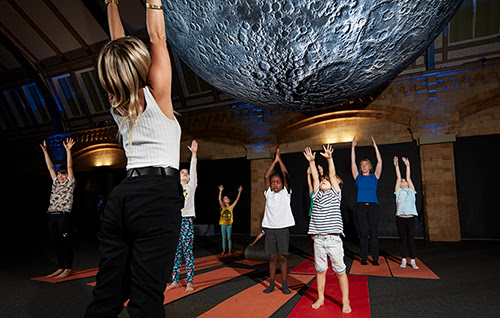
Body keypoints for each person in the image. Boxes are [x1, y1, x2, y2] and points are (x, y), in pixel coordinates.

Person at [85, 1, 184, 317]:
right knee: (146, 299)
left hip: (122, 197)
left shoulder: (117, 100)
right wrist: (154, 2)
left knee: (107, 295)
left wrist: (111, 4)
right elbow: (157, 37)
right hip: (157, 196)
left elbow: (117, 48)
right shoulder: (156, 93)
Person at [304, 145, 351, 313]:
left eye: (328, 180)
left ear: (335, 184)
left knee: (340, 271)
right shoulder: (316, 195)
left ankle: (345, 301)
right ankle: (321, 298)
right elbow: (316, 178)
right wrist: (312, 161)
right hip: (318, 239)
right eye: (323, 179)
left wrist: (329, 159)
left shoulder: (335, 195)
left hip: (333, 239)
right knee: (320, 271)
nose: (325, 180)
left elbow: (331, 174)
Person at [40, 138, 76, 279]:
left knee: (65, 241)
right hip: (52, 215)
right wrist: (45, 152)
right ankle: (60, 267)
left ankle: (68, 268)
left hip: (64, 215)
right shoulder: (55, 182)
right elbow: (50, 167)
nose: (61, 176)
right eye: (59, 174)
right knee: (56, 242)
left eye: (63, 174)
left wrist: (68, 151)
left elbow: (70, 166)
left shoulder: (70, 183)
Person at [166, 140, 199, 293]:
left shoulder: (191, 186)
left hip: (186, 222)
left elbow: (193, 169)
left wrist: (194, 154)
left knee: (187, 252)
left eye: (187, 173)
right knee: (175, 253)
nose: (186, 174)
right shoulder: (173, 189)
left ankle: (190, 282)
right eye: (182, 172)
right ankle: (174, 280)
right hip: (175, 222)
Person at [262, 149, 295, 294]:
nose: (275, 185)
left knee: (282, 257)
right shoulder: (268, 193)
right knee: (271, 257)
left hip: (282, 230)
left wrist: (280, 160)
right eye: (273, 183)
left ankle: (285, 283)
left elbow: (286, 174)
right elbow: (266, 176)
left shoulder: (285, 194)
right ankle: (271, 284)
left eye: (278, 182)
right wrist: (274, 161)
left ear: (282, 184)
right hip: (270, 229)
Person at [351, 136, 382, 266]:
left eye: (366, 164)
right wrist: (352, 148)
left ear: (370, 167)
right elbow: (352, 163)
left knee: (373, 233)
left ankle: (375, 258)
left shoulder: (375, 177)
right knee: (363, 233)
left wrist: (375, 147)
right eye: (362, 165)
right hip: (361, 207)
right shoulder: (357, 177)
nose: (363, 166)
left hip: (373, 207)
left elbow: (380, 163)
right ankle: (364, 258)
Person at [393, 156, 419, 269]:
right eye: (402, 181)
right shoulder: (398, 192)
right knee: (403, 240)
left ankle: (412, 260)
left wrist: (407, 165)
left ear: (408, 184)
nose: (403, 180)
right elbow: (398, 177)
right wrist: (396, 166)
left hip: (410, 219)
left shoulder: (411, 192)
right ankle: (403, 259)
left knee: (411, 240)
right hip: (400, 219)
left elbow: (408, 177)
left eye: (405, 181)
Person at [218, 185, 243, 255]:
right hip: (223, 225)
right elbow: (219, 199)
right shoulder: (223, 207)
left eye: (227, 198)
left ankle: (229, 250)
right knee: (224, 238)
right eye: (225, 198)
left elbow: (237, 200)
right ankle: (223, 250)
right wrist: (220, 191)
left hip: (229, 225)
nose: (226, 199)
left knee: (229, 237)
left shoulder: (231, 207)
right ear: (224, 201)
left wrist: (239, 192)